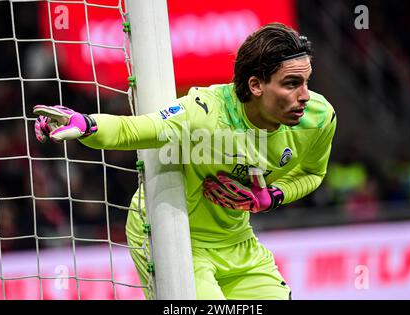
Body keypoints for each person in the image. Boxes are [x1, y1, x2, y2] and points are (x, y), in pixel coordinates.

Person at [33, 23, 337, 300]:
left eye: (307, 82)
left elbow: (312, 173)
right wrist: (86, 124)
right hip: (171, 233)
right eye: (291, 84)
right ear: (256, 85)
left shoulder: (319, 118)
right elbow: (135, 129)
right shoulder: (205, 113)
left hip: (235, 239)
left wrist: (273, 196)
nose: (305, 96)